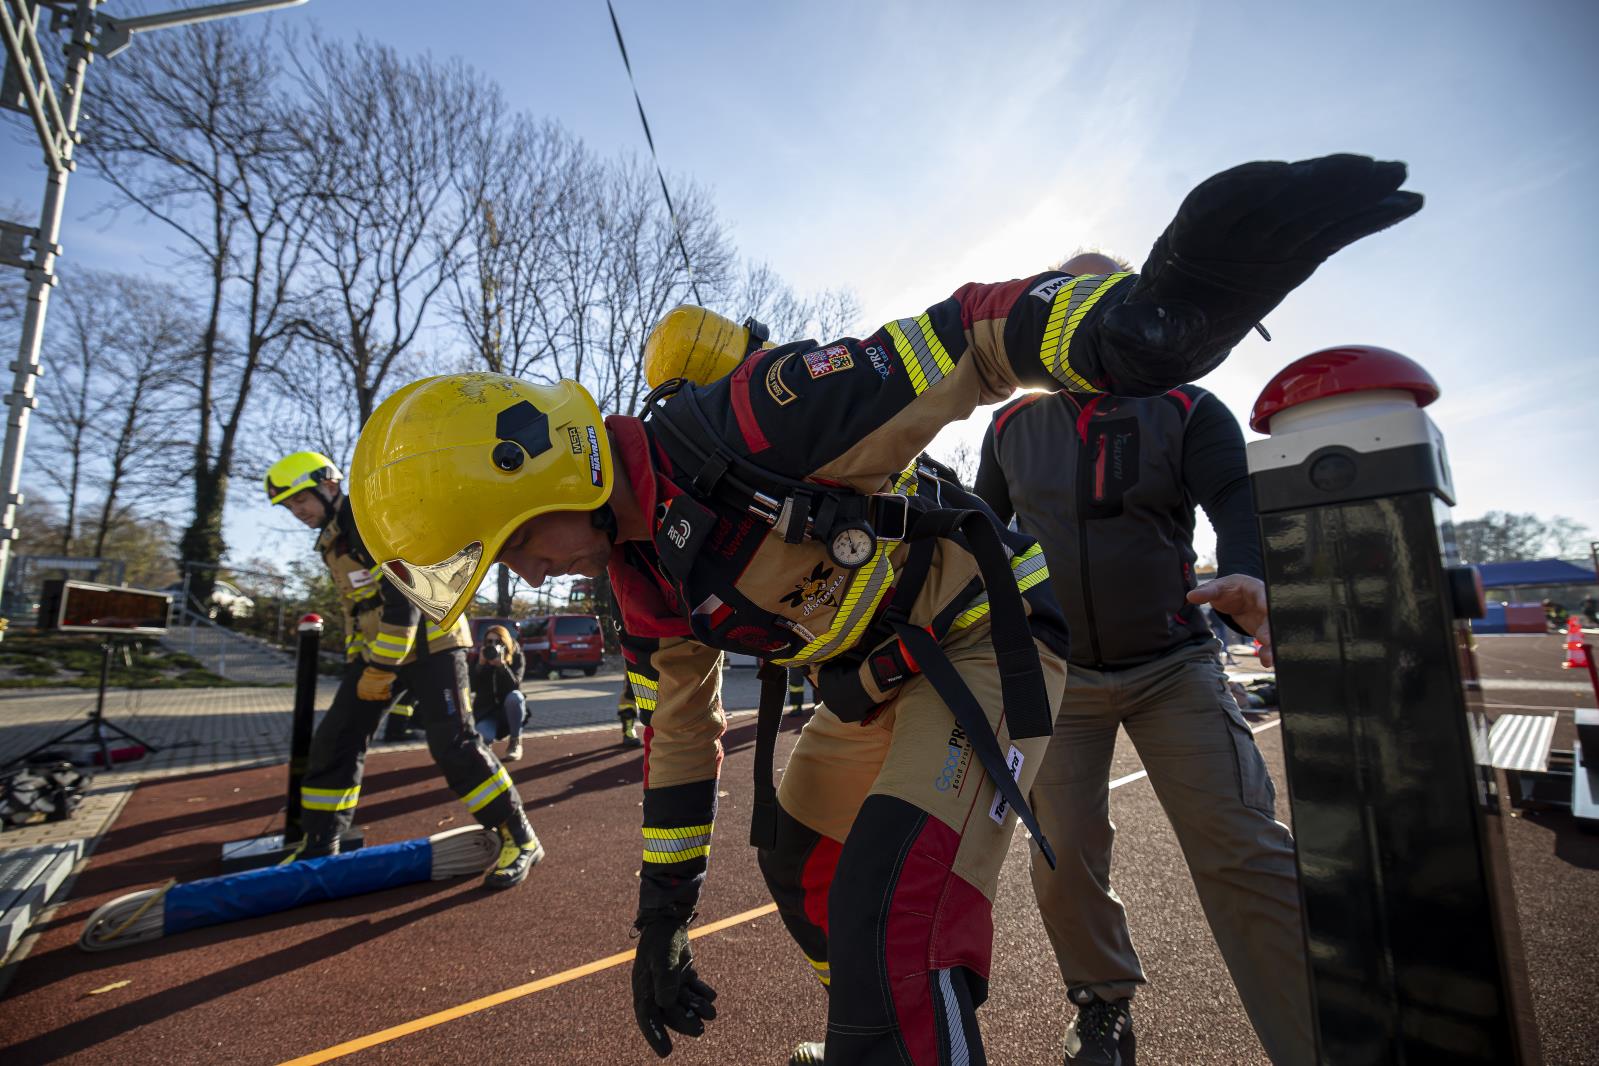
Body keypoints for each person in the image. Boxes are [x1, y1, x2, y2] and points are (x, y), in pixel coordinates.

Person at [346, 155, 1420, 1064]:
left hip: (987, 647)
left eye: (516, 543)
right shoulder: (635, 574)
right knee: (803, 866)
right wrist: (662, 915)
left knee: (893, 914)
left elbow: (970, 335)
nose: (524, 577)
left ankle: (907, 1015)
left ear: (546, 481)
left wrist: (1138, 324)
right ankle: (886, 1027)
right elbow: (679, 742)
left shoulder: (758, 420)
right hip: (878, 686)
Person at [973, 250, 1313, 1064]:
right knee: (1061, 856)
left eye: (1103, 302)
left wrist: (1249, 570)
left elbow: (1237, 499)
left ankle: (1318, 1036)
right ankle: (1101, 1005)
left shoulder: (1188, 405)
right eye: (1067, 304)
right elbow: (983, 532)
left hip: (1172, 665)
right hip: (1060, 677)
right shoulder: (1010, 424)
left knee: (1242, 847)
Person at [263, 452, 546, 889]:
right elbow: (361, 609)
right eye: (289, 506)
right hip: (385, 652)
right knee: (337, 738)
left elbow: (404, 598)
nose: (297, 512)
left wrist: (379, 667)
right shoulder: (333, 535)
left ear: (329, 485)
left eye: (300, 500)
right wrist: (364, 662)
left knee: (454, 743)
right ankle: (321, 845)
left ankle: (519, 836)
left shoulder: (366, 521)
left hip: (433, 645)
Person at [472, 623, 528, 761]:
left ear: (506, 642)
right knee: (482, 740)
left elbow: (515, 686)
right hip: (487, 712)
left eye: (498, 641)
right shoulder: (481, 656)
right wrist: (480, 665)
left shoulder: (516, 657)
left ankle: (515, 742)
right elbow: (471, 686)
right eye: (489, 641)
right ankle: (486, 745)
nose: (493, 645)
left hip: (509, 711)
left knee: (516, 697)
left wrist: (502, 666)